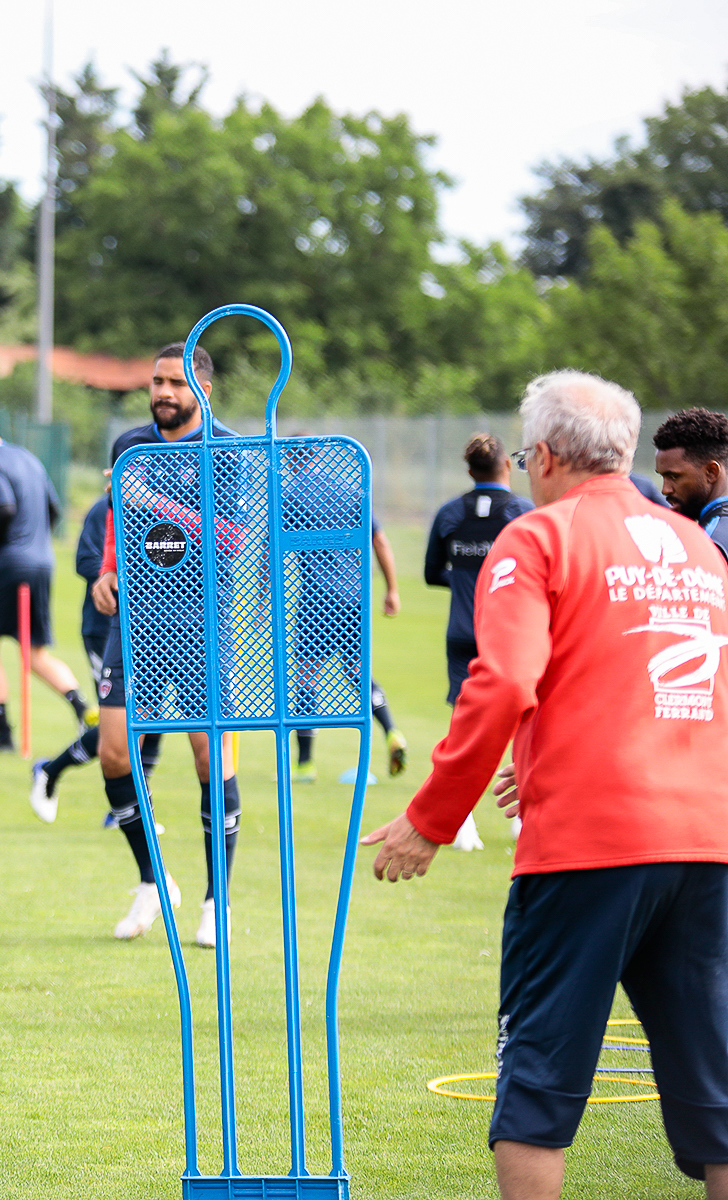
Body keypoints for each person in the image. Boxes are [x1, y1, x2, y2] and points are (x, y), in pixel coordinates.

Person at [363, 370, 728, 1200]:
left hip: (588, 852)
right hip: (707, 842)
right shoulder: (701, 547)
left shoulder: (537, 539)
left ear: (549, 455)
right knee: (717, 1093)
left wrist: (432, 817)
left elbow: (502, 684)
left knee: (536, 1085)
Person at [89, 342, 243, 947]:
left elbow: (234, 539)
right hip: (137, 620)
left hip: (204, 624)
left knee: (209, 759)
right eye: (157, 381)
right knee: (113, 754)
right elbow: (114, 516)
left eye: (176, 383)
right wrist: (107, 569)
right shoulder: (129, 446)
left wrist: (152, 500)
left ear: (202, 389)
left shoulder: (229, 451)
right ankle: (154, 882)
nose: (163, 392)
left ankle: (217, 902)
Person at [0, 406, 91, 752]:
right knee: (34, 653)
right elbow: (54, 509)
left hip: (10, 563)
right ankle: (85, 713)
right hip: (42, 562)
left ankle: (4, 736)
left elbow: (5, 509)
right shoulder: (27, 457)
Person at [29, 484, 163, 823]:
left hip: (153, 629)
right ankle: (50, 770)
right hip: (106, 629)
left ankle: (132, 810)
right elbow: (86, 560)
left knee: (153, 718)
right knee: (121, 721)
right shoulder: (101, 508)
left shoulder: (160, 507)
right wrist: (124, 577)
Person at [290, 508, 408, 783]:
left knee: (306, 676)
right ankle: (391, 731)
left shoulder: (294, 492)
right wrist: (392, 590)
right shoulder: (354, 487)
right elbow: (379, 541)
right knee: (357, 672)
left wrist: (261, 596)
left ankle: (305, 765)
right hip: (353, 598)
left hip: (316, 599)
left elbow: (273, 544)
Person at [425, 434, 535, 705]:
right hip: (506, 635)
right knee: (511, 714)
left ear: (471, 471)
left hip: (462, 633)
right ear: (507, 465)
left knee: (466, 719)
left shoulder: (449, 513)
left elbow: (432, 574)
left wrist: (466, 578)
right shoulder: (524, 512)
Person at [653, 408, 728, 562]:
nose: (665, 489)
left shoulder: (712, 544)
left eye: (674, 477)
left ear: (711, 472)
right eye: (662, 477)